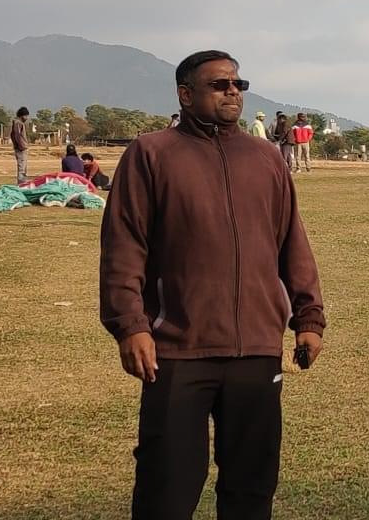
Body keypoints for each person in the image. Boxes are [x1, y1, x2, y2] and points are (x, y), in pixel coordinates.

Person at [100, 50, 325, 520]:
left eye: (237, 85)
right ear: (185, 95)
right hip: (179, 348)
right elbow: (125, 247)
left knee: (251, 486)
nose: (232, 92)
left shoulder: (265, 158)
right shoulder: (151, 154)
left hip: (257, 348)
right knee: (168, 484)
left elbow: (292, 244)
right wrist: (130, 325)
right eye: (219, 84)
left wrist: (309, 317)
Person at [11, 107, 31, 183]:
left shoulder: (19, 123)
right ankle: (21, 185)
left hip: (21, 148)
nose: (26, 118)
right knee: (22, 168)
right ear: (21, 115)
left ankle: (23, 183)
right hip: (21, 149)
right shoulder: (18, 123)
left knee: (24, 168)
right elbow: (17, 136)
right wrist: (21, 146)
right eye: (25, 116)